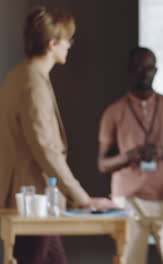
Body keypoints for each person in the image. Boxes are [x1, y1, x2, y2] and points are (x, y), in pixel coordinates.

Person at [0, 5, 116, 264]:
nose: (70, 46)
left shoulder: (17, 77)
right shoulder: (33, 83)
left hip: (28, 200)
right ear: (52, 44)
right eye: (67, 40)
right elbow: (46, 150)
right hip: (33, 202)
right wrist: (83, 198)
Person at [98, 47, 163, 264]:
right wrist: (129, 156)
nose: (145, 72)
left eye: (149, 67)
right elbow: (102, 164)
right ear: (130, 71)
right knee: (131, 260)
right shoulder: (115, 111)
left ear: (156, 70)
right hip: (128, 200)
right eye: (139, 68)